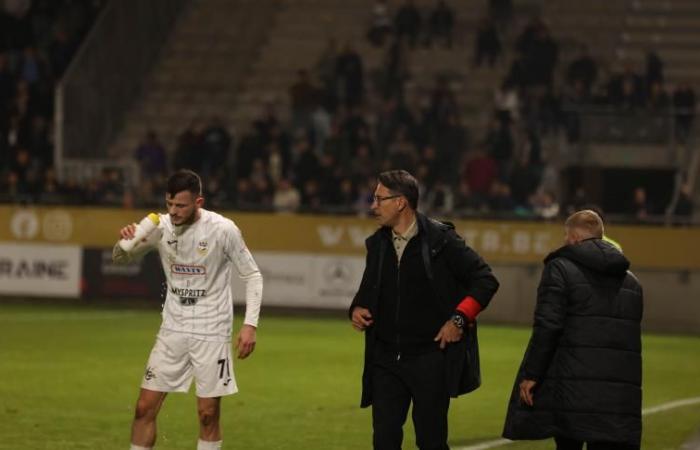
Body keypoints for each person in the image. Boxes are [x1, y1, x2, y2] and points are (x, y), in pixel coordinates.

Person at [113, 170, 263, 450]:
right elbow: (121, 258)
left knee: (207, 415)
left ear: (199, 202)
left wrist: (250, 325)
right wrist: (125, 241)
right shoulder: (160, 228)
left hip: (212, 330)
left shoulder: (223, 230)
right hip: (172, 329)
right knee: (144, 408)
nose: (173, 212)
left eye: (180, 205)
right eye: (169, 204)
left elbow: (252, 275)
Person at [349, 169, 499, 449]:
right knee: (384, 440)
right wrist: (357, 308)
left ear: (400, 202)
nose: (373, 206)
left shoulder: (442, 240)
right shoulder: (378, 243)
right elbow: (368, 291)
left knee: (431, 441)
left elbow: (485, 280)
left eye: (379, 199)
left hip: (429, 358)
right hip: (385, 359)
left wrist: (458, 319)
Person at [503, 210, 643, 450]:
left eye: (566, 237)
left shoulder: (560, 269)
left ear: (576, 238)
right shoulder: (632, 283)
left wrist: (532, 375)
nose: (565, 242)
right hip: (618, 398)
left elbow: (548, 325)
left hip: (571, 390)